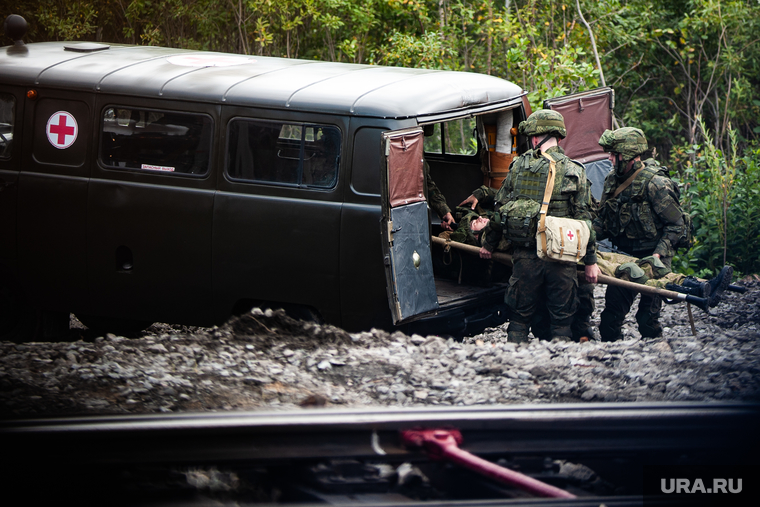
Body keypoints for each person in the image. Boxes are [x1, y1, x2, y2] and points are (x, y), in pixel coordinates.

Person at [460, 110, 600, 343]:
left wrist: (488, 244)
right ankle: (560, 365)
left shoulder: (519, 166)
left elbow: (500, 211)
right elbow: (585, 224)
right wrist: (591, 263)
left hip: (526, 256)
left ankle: (516, 366)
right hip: (562, 259)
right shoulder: (575, 171)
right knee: (561, 321)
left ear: (536, 138)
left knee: (519, 318)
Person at [593, 127, 689, 340]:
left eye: (613, 154)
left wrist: (659, 255)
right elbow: (604, 221)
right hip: (625, 259)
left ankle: (657, 357)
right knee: (610, 321)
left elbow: (677, 225)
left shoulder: (656, 183)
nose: (609, 159)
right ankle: (613, 363)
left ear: (625, 156)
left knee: (646, 320)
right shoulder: (612, 180)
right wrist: (585, 237)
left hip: (654, 259)